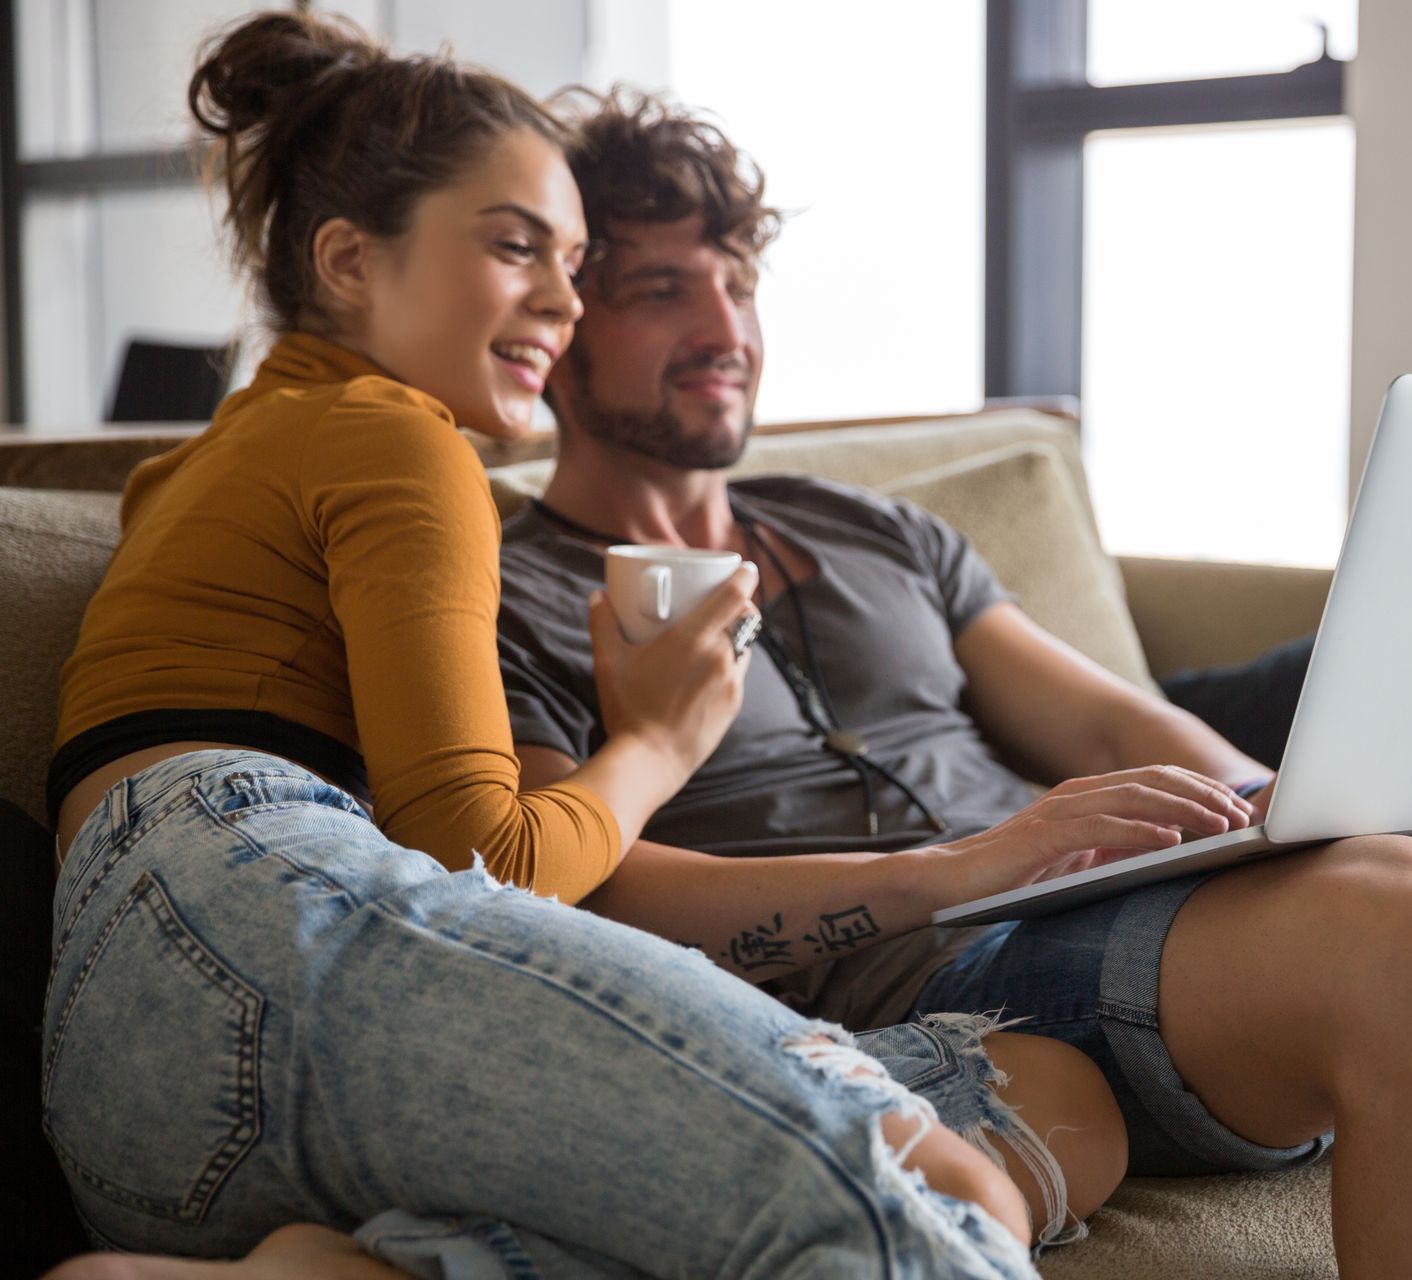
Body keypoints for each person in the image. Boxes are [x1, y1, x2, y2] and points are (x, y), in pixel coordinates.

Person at [496, 89, 1412, 1278]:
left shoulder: (876, 529)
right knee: (1406, 916)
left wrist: (1278, 806)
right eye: (663, 287)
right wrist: (964, 863)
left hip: (1144, 918)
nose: (724, 324)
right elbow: (579, 884)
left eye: (737, 282)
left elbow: (1113, 721)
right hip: (949, 983)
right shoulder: (504, 587)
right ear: (562, 330)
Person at [39, 15, 1090, 1279]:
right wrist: (658, 738)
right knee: (900, 1217)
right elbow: (492, 854)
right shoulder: (399, 439)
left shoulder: (194, 469)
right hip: (268, 914)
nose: (561, 299)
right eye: (514, 245)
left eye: (578, 262)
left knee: (972, 1137)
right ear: (350, 261)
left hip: (122, 1060)